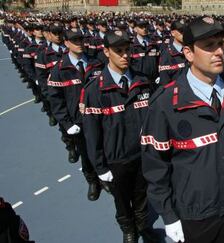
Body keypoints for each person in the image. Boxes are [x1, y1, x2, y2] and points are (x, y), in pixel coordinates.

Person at [141, 16, 224, 243]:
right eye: (208, 46)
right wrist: (169, 215)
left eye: (220, 43)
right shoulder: (166, 103)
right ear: (189, 53)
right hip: (195, 215)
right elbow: (156, 165)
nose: (218, 52)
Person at [81, 30, 159, 243]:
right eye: (118, 51)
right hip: (116, 160)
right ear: (106, 51)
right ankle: (128, 229)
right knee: (122, 200)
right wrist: (100, 167)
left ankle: (142, 226)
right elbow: (91, 133)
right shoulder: (95, 91)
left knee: (142, 197)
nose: (125, 55)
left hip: (142, 155)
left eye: (127, 50)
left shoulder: (143, 82)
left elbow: (153, 119)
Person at [47, 28, 103, 201]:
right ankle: (92, 180)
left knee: (104, 149)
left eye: (80, 39)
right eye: (74, 40)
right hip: (78, 122)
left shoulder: (97, 63)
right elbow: (56, 100)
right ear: (66, 43)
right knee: (86, 154)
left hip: (99, 118)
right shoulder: (60, 69)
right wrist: (67, 124)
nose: (79, 43)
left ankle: (104, 176)